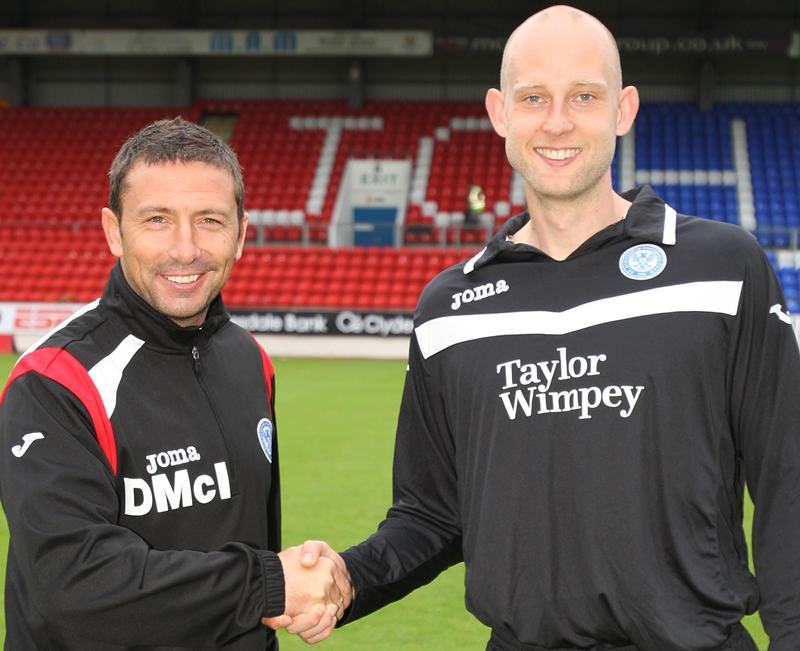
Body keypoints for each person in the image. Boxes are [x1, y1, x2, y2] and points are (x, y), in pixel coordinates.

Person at [285, 5, 800, 650]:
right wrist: (348, 578)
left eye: (584, 96)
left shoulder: (724, 267)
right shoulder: (452, 307)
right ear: (501, 113)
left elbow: (788, 479)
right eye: (535, 98)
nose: (558, 122)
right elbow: (432, 515)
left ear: (624, 108)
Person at [0, 117, 349, 649]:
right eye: (157, 219)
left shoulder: (249, 358)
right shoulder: (57, 381)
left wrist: (286, 593)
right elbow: (70, 584)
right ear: (114, 231)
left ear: (241, 234)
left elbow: (254, 541)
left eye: (209, 220)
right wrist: (271, 584)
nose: (185, 249)